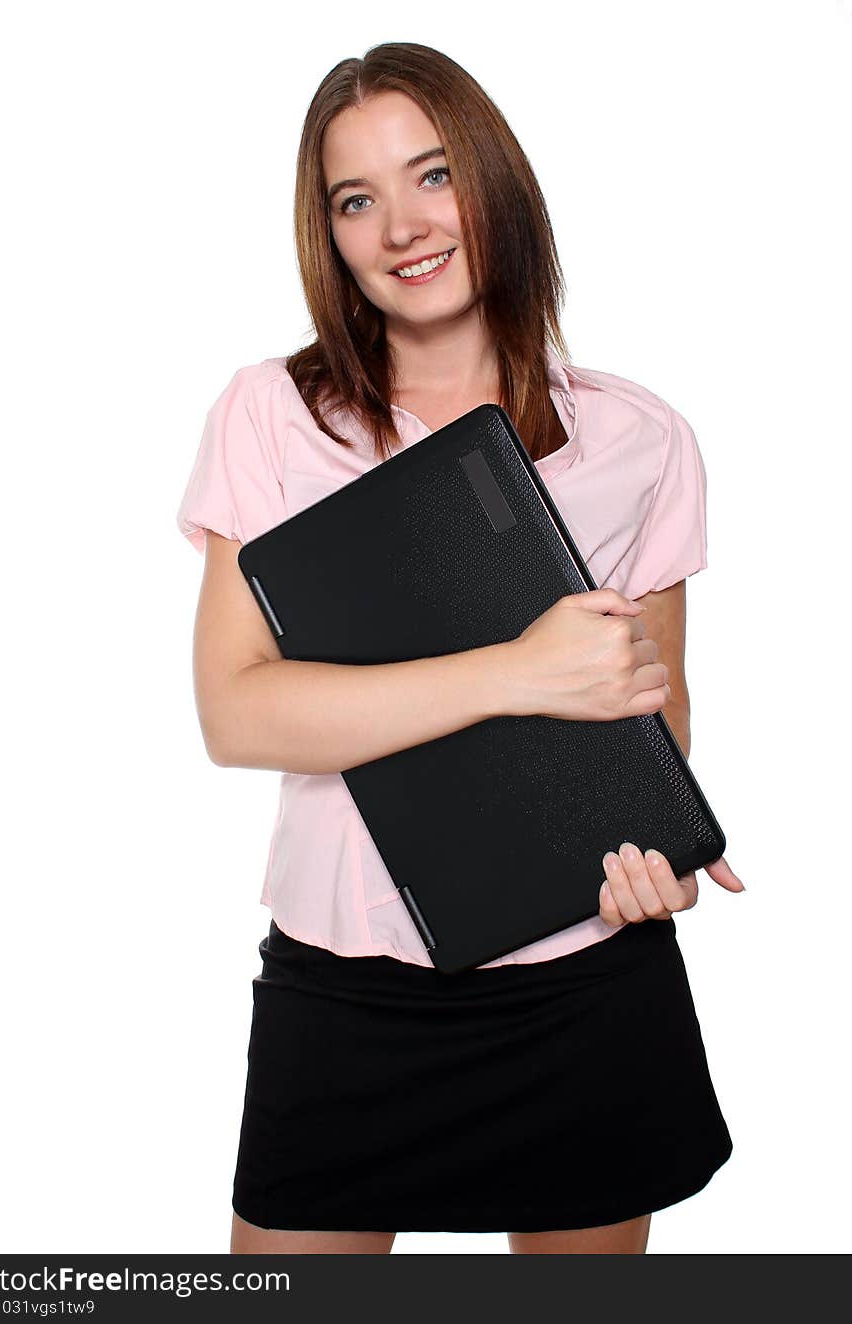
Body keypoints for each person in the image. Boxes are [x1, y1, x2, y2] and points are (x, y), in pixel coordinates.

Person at [177, 42, 745, 1255]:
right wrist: (514, 670)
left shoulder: (640, 440)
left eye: (432, 176)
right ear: (327, 236)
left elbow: (655, 710)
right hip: (344, 987)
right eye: (355, 199)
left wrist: (657, 844)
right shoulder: (272, 415)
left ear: (493, 185)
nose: (402, 226)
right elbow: (236, 712)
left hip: (580, 987)